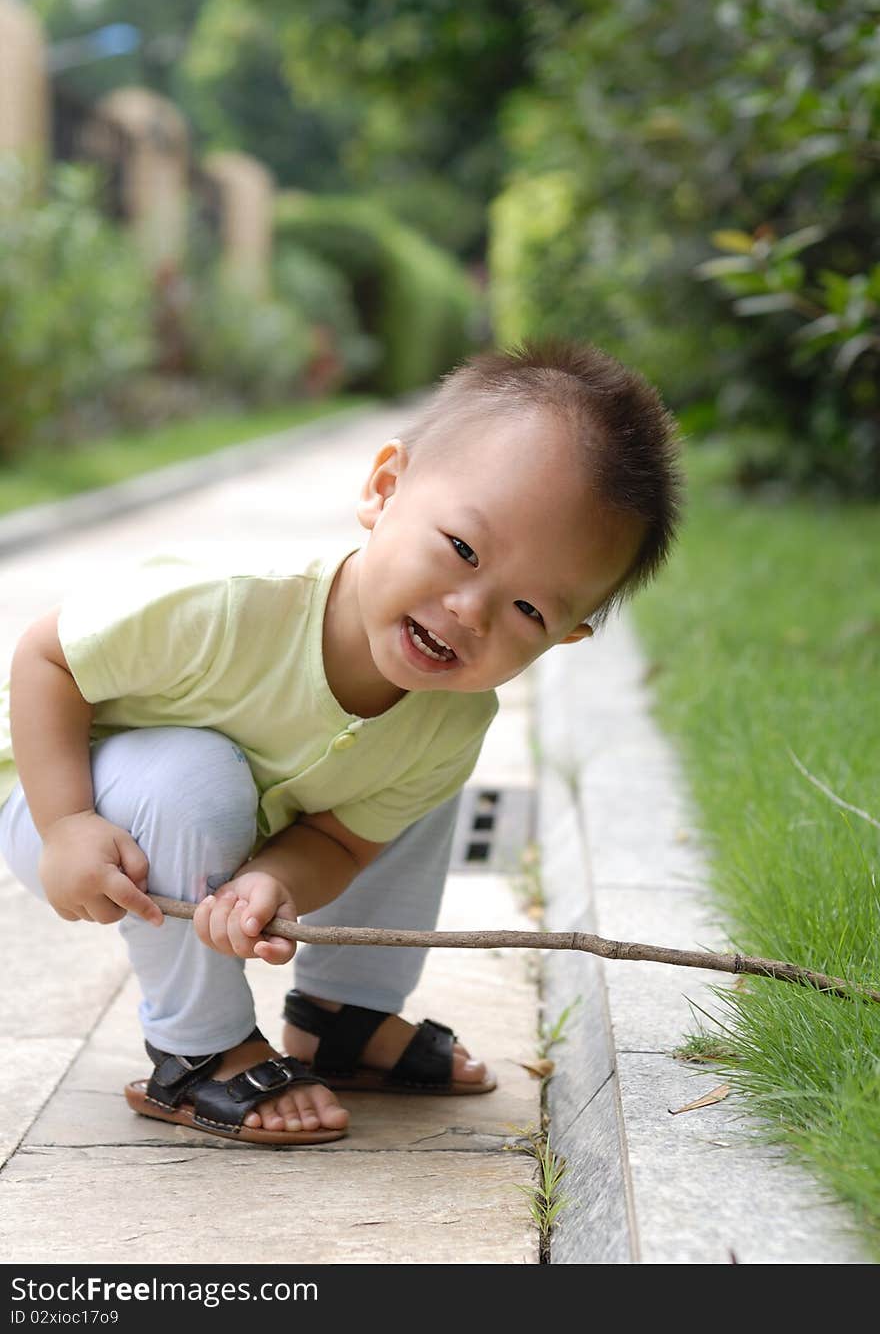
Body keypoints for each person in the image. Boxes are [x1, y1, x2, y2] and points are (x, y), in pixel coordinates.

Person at [0, 339, 681, 1146]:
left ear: (566, 636)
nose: (470, 609)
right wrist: (67, 823)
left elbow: (340, 841)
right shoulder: (231, 607)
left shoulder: (454, 715)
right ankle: (197, 1046)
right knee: (194, 772)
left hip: (246, 822)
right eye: (462, 548)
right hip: (68, 805)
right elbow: (48, 657)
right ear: (385, 488)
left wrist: (281, 881)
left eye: (529, 610)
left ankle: (343, 1016)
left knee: (418, 783)